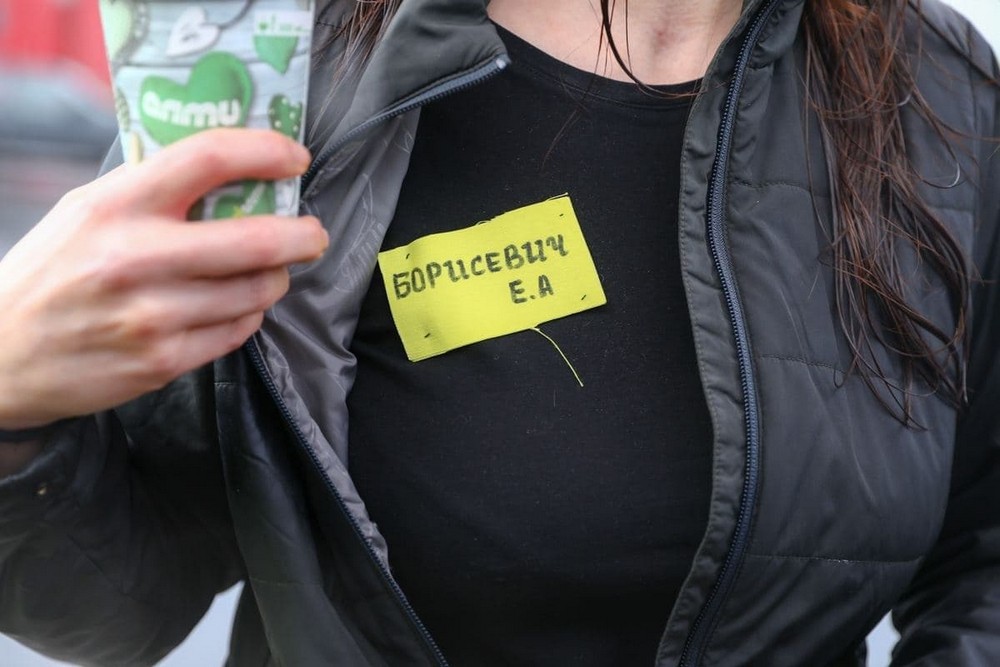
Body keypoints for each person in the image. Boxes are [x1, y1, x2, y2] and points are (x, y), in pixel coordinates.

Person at [0, 0, 997, 664]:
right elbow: (123, 593)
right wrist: (13, 402)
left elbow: (981, 559)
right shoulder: (289, 58)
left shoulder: (940, 92)